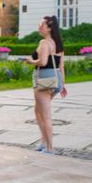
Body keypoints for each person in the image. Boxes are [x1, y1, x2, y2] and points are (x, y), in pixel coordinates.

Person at [24, 15, 67, 154]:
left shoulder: (44, 43)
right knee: (38, 111)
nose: (39, 27)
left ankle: (49, 148)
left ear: (49, 28)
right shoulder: (58, 44)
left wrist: (30, 61)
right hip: (55, 80)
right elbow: (61, 67)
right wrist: (63, 84)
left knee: (45, 115)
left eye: (42, 25)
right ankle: (44, 141)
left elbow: (42, 62)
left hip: (43, 80)